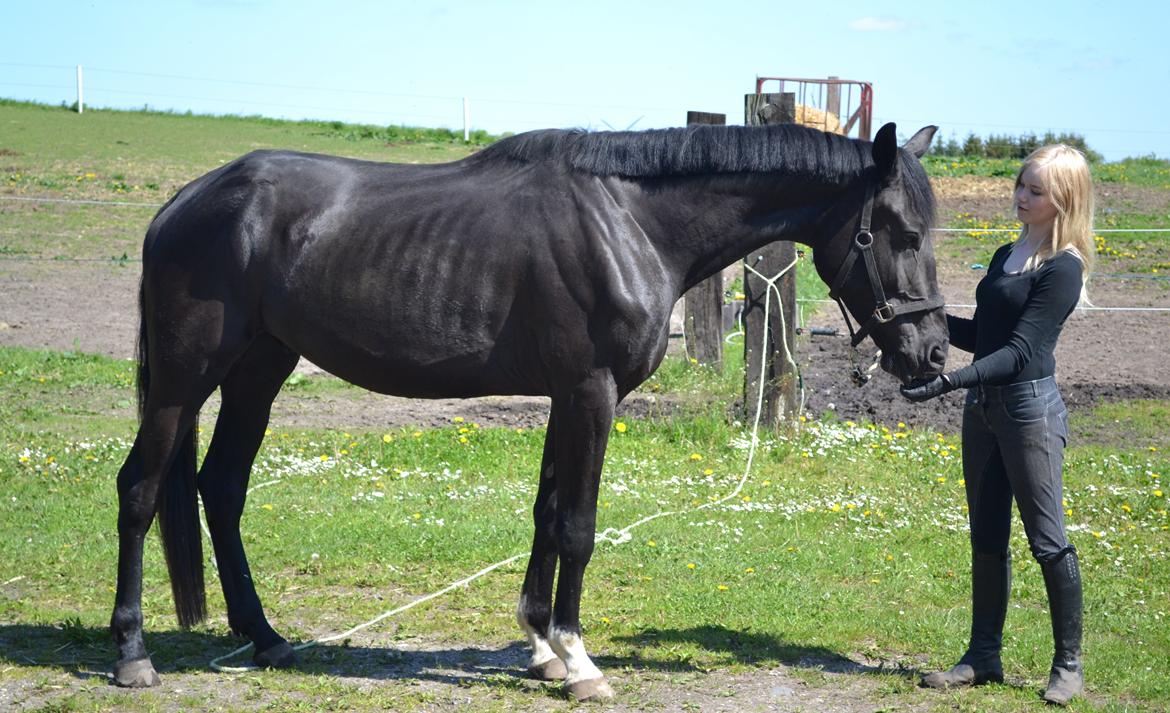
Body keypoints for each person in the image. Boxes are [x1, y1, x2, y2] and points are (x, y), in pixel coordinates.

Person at [900, 144, 1094, 705]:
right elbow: (984, 334)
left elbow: (1017, 352)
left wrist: (945, 384)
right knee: (986, 534)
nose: (1022, 196)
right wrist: (919, 323)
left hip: (1029, 411)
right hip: (983, 412)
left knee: (1047, 539)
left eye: (1036, 190)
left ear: (1064, 199)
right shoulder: (1006, 254)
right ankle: (983, 655)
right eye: (1021, 184)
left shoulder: (1063, 268)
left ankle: (1068, 665)